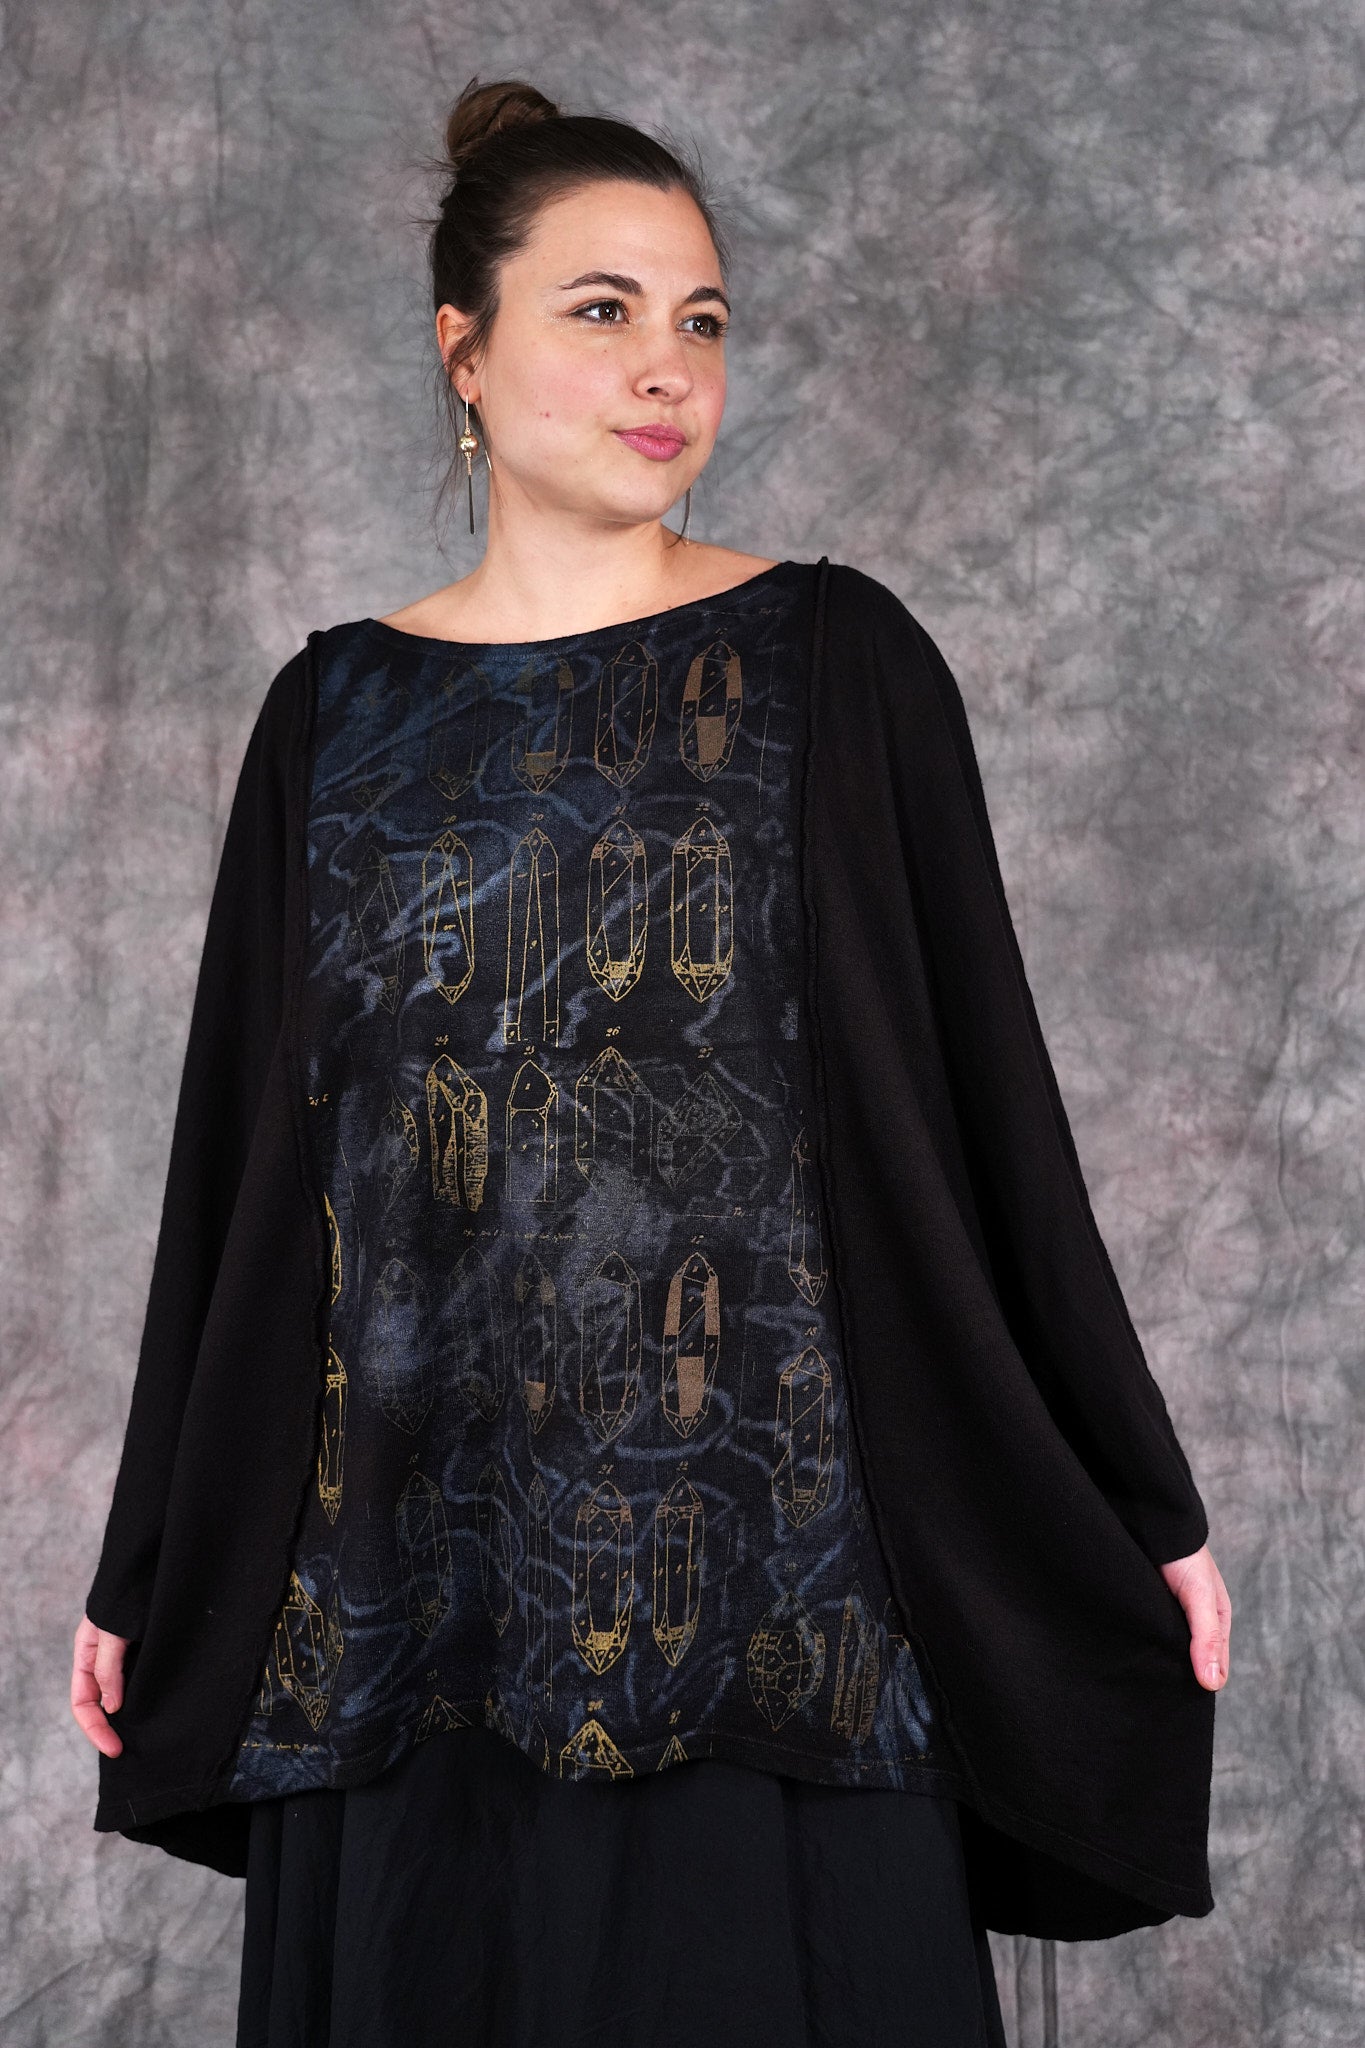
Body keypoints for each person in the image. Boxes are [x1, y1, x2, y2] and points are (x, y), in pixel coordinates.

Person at [72, 75, 1231, 2048]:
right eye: (599, 309)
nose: (665, 366)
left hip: (780, 1609)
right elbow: (247, 1185)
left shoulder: (837, 666)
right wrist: (156, 1550)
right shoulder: (328, 718)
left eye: (700, 318)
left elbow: (984, 1113)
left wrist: (1134, 1494)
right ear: (463, 348)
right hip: (404, 1611)